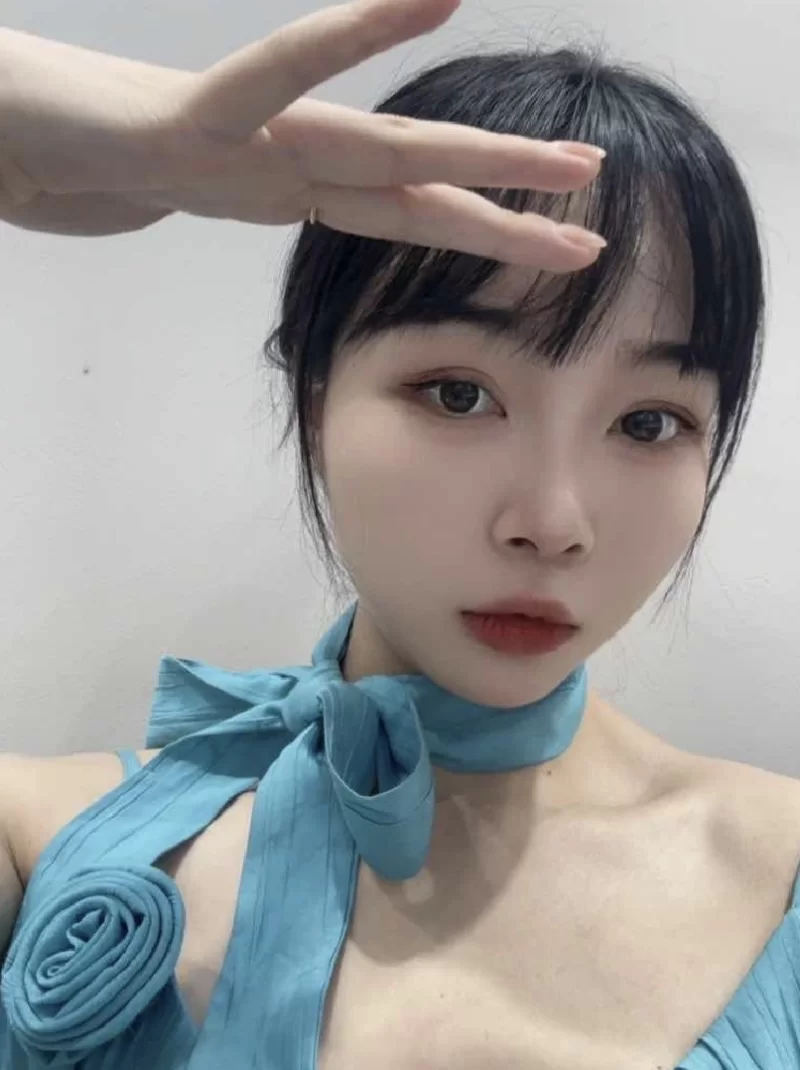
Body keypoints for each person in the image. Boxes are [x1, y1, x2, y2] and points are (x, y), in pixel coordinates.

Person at [0, 0, 797, 1067]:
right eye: (458, 394)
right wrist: (30, 141)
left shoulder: (778, 869)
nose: (552, 523)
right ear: (314, 396)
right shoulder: (38, 830)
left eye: (650, 422)